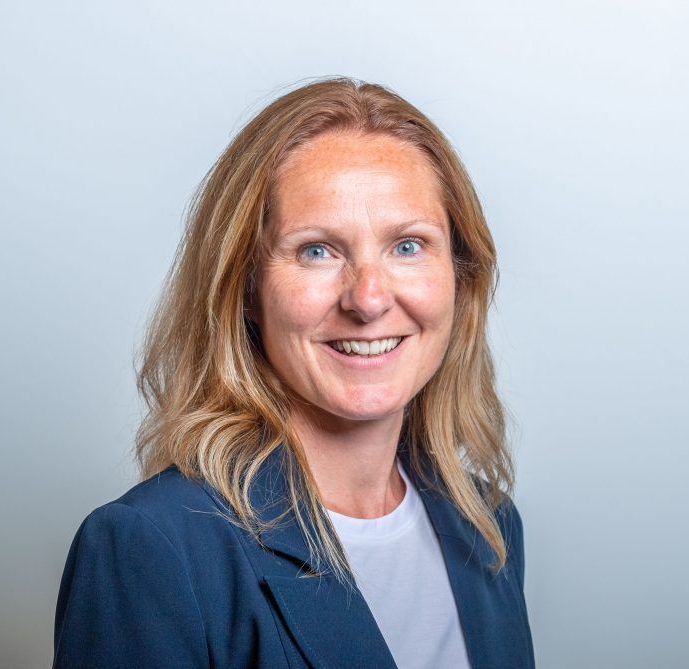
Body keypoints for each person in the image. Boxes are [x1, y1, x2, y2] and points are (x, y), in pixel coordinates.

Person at [52, 77, 535, 669]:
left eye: (408, 246)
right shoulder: (152, 549)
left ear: (461, 278)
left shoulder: (488, 527)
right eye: (317, 250)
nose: (368, 298)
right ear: (245, 290)